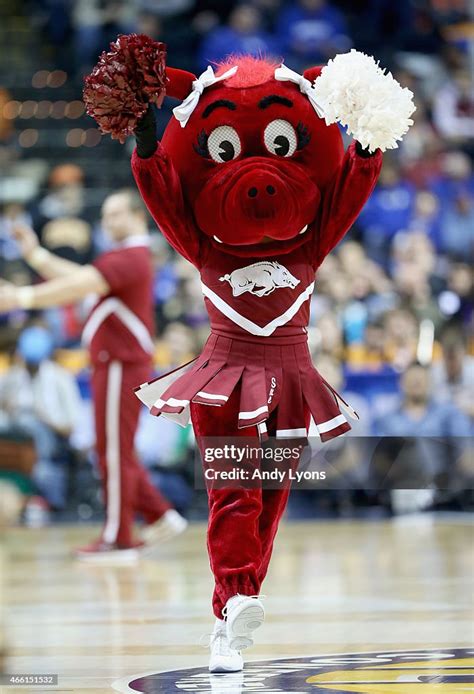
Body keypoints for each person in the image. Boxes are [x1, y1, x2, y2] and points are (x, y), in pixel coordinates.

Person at [0, 189, 187, 562]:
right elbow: (81, 278)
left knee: (114, 451)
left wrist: (20, 298)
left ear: (137, 215)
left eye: (115, 213)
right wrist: (35, 255)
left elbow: (77, 285)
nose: (107, 221)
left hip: (121, 362)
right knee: (111, 449)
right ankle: (158, 515)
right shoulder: (121, 259)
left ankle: (118, 537)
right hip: (112, 362)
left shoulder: (132, 256)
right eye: (105, 215)